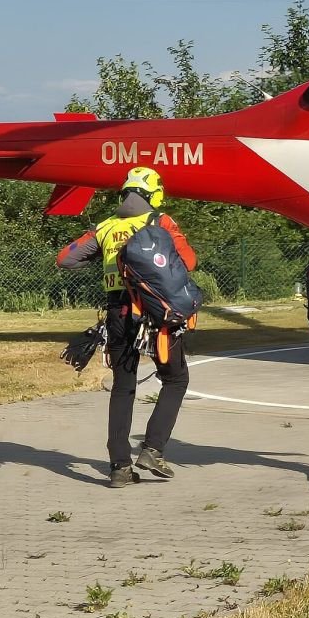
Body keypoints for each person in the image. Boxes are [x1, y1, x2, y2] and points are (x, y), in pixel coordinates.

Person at [56, 166, 197, 488]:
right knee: (175, 379)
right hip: (155, 315)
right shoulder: (160, 222)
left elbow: (65, 259)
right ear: (155, 195)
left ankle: (119, 468)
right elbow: (188, 261)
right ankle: (152, 450)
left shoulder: (105, 227)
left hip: (118, 313)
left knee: (123, 386)